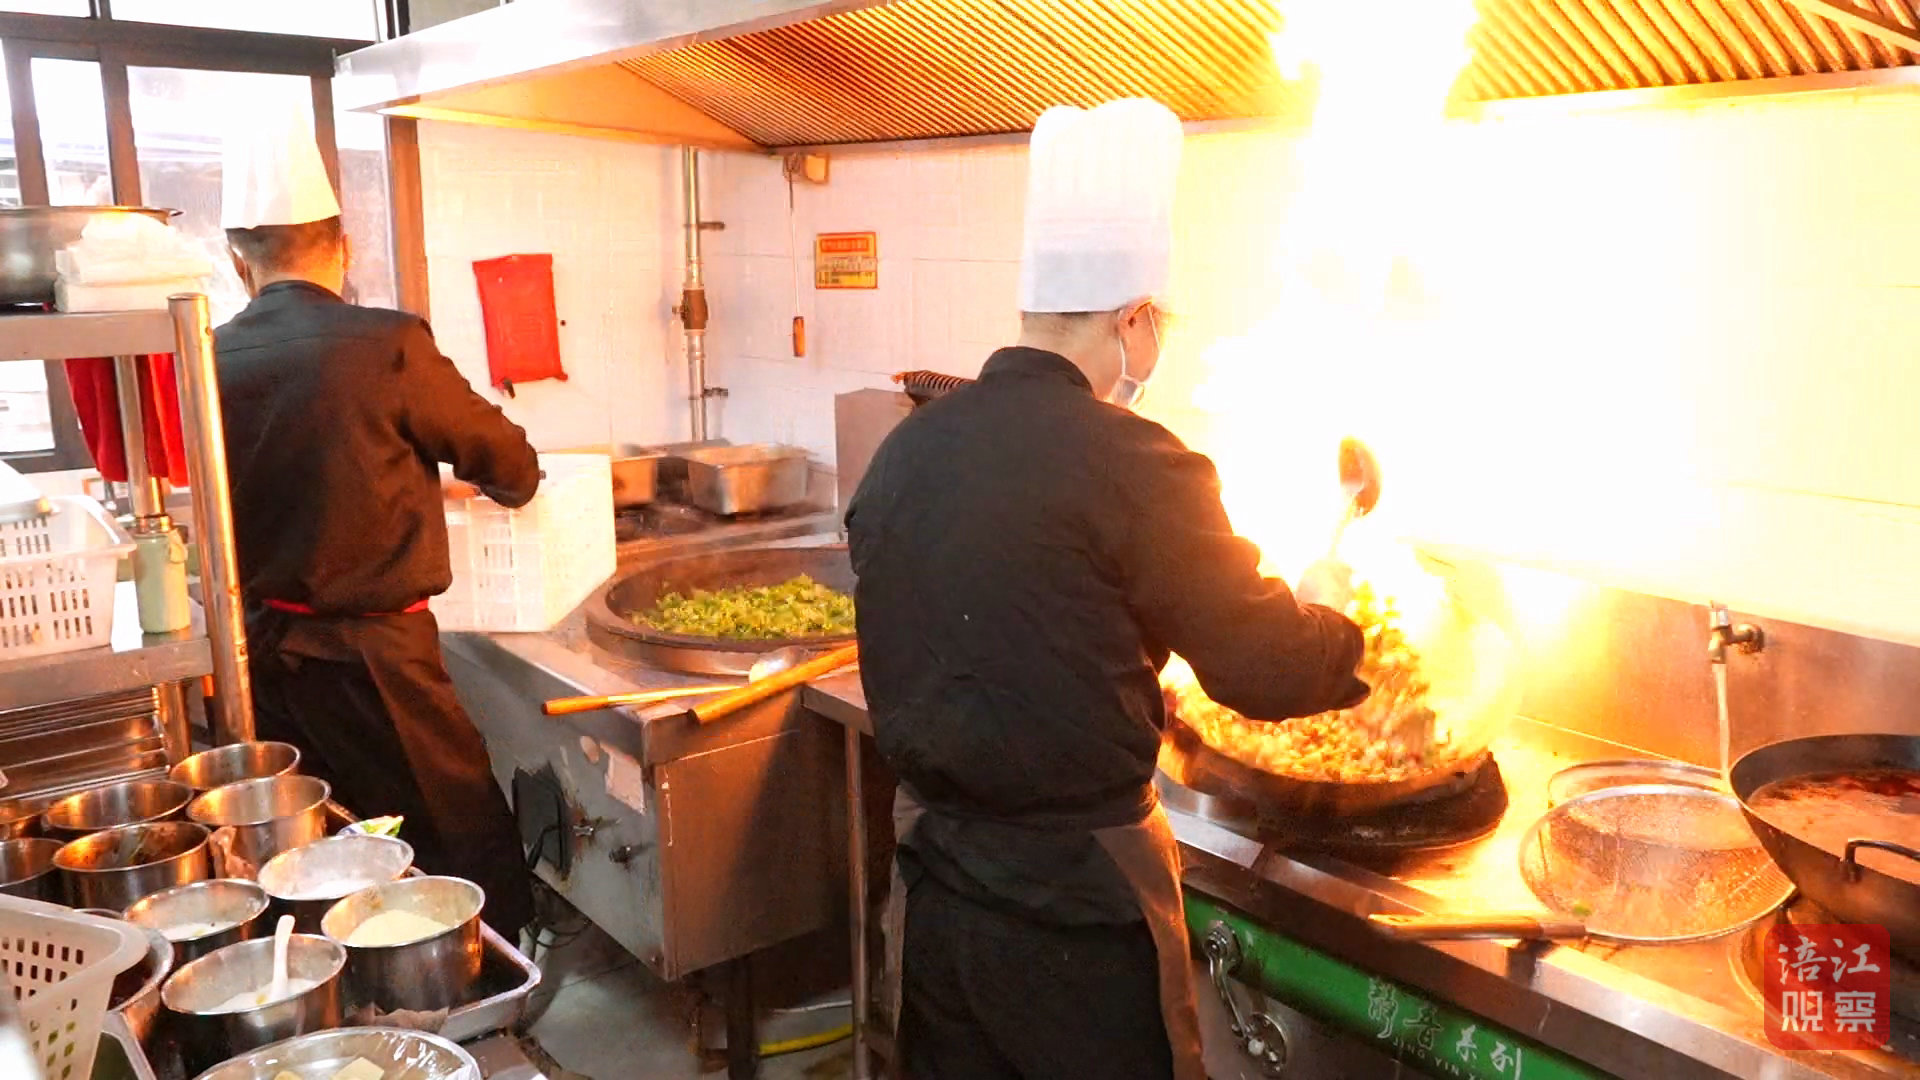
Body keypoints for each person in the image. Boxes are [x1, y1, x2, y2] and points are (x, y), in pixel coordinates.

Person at [846, 98, 1372, 1080]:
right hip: (1080, 917)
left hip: (937, 898)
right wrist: (1332, 611)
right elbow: (1265, 669)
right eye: (1158, 324)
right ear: (1133, 319)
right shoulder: (1136, 461)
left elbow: (1000, 630)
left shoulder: (907, 449)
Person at [213, 106, 540, 937]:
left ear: (237, 260)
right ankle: (495, 965)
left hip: (268, 655)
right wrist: (489, 485)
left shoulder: (207, 354)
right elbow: (508, 463)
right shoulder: (386, 342)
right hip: (378, 653)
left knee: (327, 835)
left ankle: (355, 965)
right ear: (345, 246)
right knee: (456, 820)